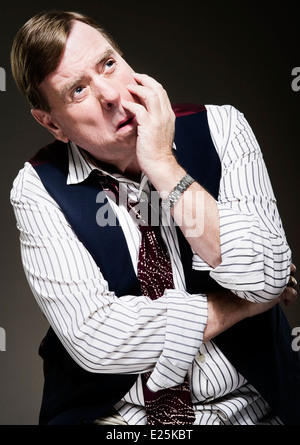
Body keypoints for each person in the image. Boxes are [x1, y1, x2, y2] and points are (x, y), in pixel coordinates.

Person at [10, 10, 299, 426]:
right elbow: (98, 340)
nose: (111, 95)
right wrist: (242, 305)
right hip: (121, 420)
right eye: (78, 90)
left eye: (108, 64)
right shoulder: (36, 187)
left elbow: (266, 274)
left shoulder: (222, 127)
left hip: (254, 408)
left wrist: (164, 165)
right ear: (53, 123)